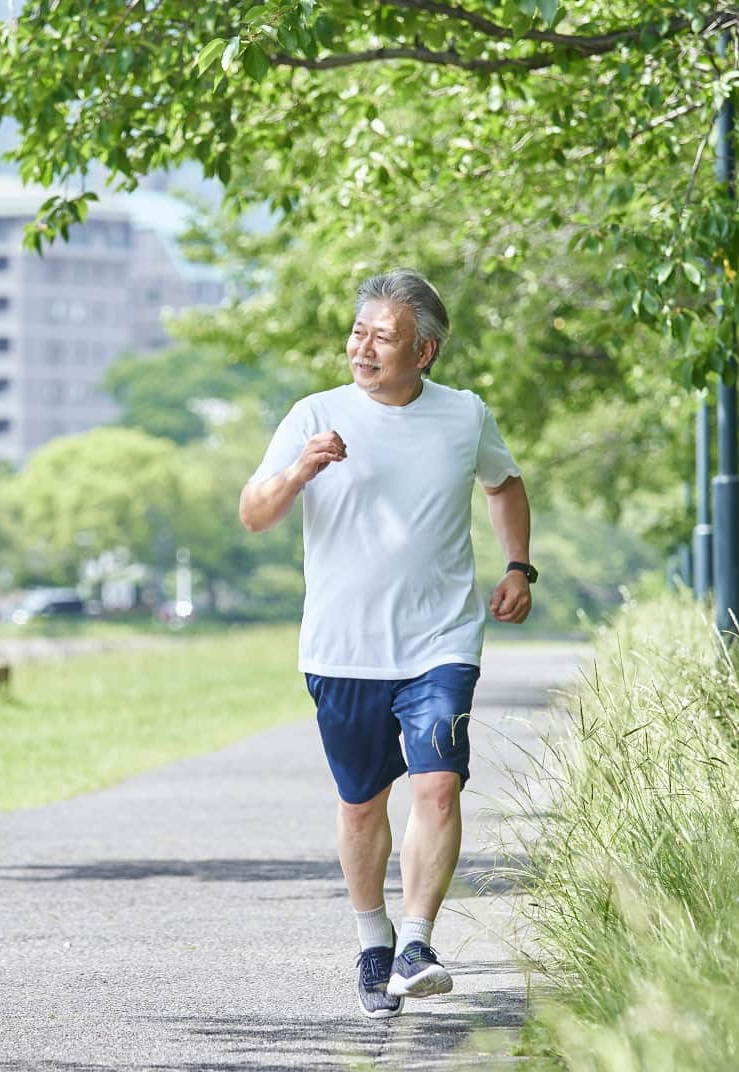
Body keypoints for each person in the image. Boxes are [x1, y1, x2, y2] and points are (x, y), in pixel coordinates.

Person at [238, 268, 534, 1019]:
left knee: (438, 783)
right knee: (363, 805)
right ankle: (372, 941)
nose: (363, 348)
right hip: (342, 649)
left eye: (382, 337)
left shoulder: (465, 416)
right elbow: (254, 513)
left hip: (440, 641)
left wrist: (518, 567)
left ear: (425, 351)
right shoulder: (314, 413)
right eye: (358, 332)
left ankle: (416, 943)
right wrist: (301, 467)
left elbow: (504, 484)